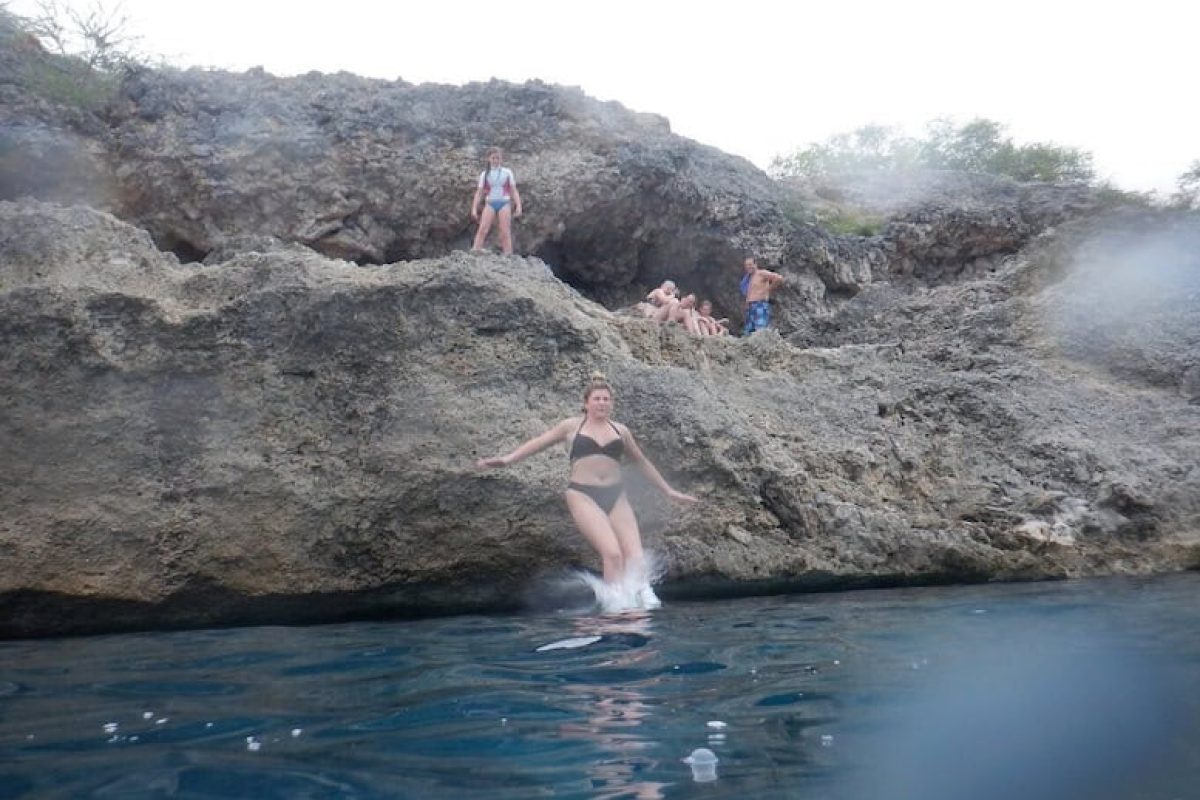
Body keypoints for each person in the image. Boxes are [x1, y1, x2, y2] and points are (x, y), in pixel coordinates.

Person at [476, 373, 697, 610]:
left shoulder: (620, 430)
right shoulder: (571, 427)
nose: (602, 403)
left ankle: (639, 600)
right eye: (597, 399)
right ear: (586, 403)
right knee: (613, 555)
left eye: (606, 399)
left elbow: (642, 462)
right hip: (583, 495)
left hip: (616, 495)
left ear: (611, 403)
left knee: (636, 559)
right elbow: (538, 443)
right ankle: (616, 607)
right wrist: (507, 460)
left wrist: (669, 491)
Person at [470, 147, 523, 254]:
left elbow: (513, 190)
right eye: (493, 158)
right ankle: (475, 250)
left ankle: (508, 255)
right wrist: (474, 209)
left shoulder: (507, 172)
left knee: (504, 231)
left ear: (501, 159)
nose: (495, 160)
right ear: (489, 159)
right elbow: (479, 193)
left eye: (498, 158)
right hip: (490, 203)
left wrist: (518, 206)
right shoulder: (484, 174)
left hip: (504, 203)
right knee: (483, 229)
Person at [739, 257, 784, 335]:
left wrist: (768, 289)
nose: (748, 267)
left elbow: (779, 278)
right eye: (746, 265)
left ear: (755, 264)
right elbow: (749, 292)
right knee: (749, 330)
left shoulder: (761, 273)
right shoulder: (748, 278)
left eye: (750, 264)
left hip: (760, 304)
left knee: (760, 329)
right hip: (750, 306)